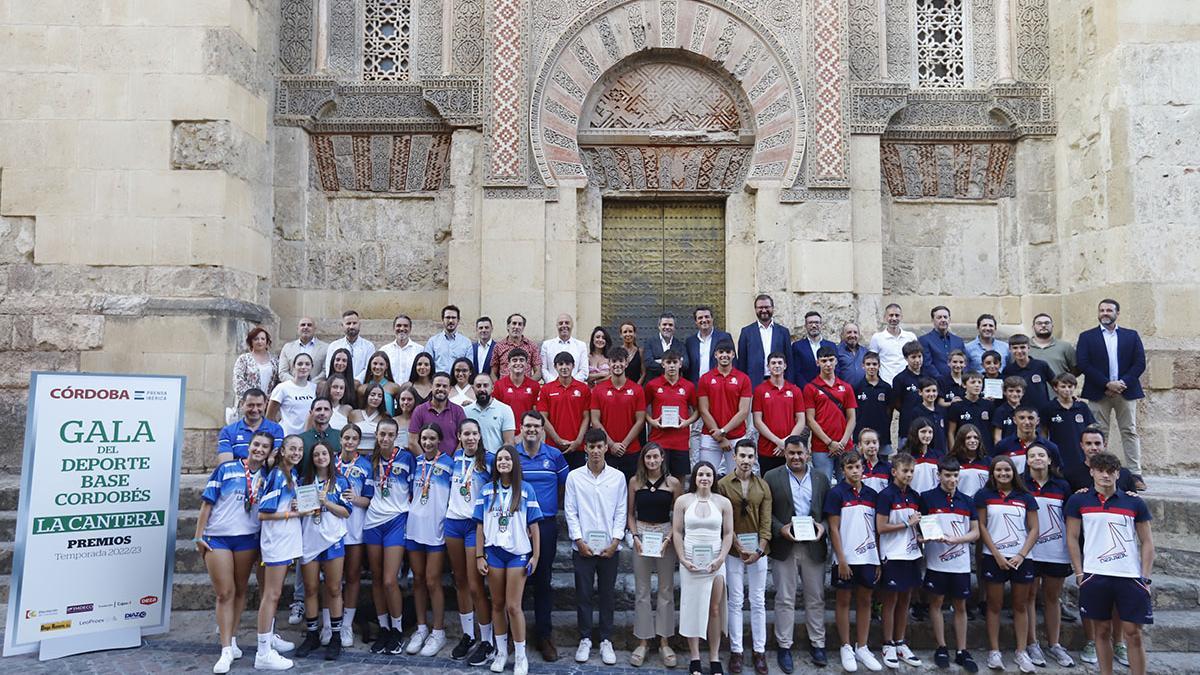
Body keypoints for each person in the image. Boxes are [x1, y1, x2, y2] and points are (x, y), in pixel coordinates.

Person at [1065, 451, 1155, 675]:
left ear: (1117, 474)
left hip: (1129, 575)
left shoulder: (1134, 502)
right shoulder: (1079, 500)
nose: (1105, 475)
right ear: (1092, 472)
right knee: (1102, 631)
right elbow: (1072, 538)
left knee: (1133, 633)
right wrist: (1079, 572)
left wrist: (1145, 577)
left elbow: (1147, 542)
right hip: (1095, 574)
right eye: (1101, 471)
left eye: (1110, 471)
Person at [195, 430, 273, 674]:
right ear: (249, 446)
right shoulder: (226, 469)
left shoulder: (269, 476)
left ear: (270, 452)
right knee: (224, 593)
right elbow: (207, 502)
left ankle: (234, 640)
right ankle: (225, 649)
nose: (259, 450)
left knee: (239, 591)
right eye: (256, 445)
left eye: (265, 447)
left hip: (247, 539)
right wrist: (199, 535)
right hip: (218, 537)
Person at [764, 435, 830, 672]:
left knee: (816, 597)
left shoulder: (821, 478)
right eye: (791, 453)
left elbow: (829, 512)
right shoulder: (771, 477)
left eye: (800, 453)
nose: (796, 457)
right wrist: (779, 529)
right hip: (785, 546)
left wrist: (824, 526)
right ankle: (784, 646)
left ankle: (818, 643)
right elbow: (766, 512)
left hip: (813, 546)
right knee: (784, 598)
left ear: (808, 452)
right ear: (784, 453)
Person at [475, 445, 543, 675]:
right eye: (500, 459)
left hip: (518, 553)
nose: (503, 462)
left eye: (507, 458)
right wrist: (478, 555)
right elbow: (480, 526)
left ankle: (521, 656)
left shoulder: (526, 490)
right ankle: (501, 652)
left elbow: (534, 526)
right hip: (493, 552)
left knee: (513, 606)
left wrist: (535, 555)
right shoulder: (486, 490)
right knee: (497, 604)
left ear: (514, 462)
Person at [565, 428, 628, 666]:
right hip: (582, 547)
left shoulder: (617, 477)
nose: (595, 451)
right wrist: (579, 540)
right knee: (583, 594)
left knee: (607, 594)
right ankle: (584, 639)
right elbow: (570, 510)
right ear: (586, 449)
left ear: (605, 448)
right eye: (591, 447)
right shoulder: (574, 477)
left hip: (610, 547)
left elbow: (621, 510)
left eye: (600, 446)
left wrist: (615, 540)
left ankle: (605, 640)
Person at [513, 411, 570, 662]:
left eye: (536, 426)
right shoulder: (514, 454)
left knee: (543, 581)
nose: (532, 430)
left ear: (543, 429)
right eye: (527, 426)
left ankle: (544, 635)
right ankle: (513, 635)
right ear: (521, 428)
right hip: (516, 526)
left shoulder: (554, 456)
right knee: (516, 581)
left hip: (545, 526)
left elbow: (566, 485)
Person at [975, 456, 1040, 673]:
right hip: (994, 558)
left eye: (1007, 470)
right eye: (999, 470)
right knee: (994, 606)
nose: (1003, 474)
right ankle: (994, 652)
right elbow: (982, 527)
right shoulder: (984, 495)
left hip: (1021, 558)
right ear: (992, 473)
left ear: (1014, 472)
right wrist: (996, 555)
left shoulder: (1026, 497)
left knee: (1020, 606)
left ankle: (1021, 652)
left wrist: (1021, 555)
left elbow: (1034, 529)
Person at [918, 457, 980, 673]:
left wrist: (957, 539)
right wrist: (923, 537)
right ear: (939, 475)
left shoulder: (967, 500)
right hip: (936, 562)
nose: (952, 479)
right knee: (936, 604)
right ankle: (941, 646)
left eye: (955, 475)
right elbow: (921, 527)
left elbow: (975, 531)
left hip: (960, 563)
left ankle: (962, 650)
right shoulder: (927, 498)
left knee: (960, 606)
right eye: (947, 475)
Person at [1076, 298, 1147, 488]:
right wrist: (1106, 383)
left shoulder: (1131, 336)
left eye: (1109, 310)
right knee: (1098, 433)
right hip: (1099, 391)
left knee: (1129, 431)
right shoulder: (1087, 336)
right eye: (1102, 310)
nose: (1105, 313)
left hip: (1126, 390)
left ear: (1117, 313)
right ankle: (1098, 471)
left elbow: (1140, 363)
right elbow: (1083, 363)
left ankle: (1135, 474)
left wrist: (1122, 383)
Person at [715, 440, 772, 674]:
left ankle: (760, 651)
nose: (746, 461)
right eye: (742, 456)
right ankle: (736, 651)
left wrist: (760, 549)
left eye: (750, 456)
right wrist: (736, 545)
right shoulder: (723, 485)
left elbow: (767, 521)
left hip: (759, 551)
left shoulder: (763, 486)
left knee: (758, 600)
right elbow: (721, 521)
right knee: (735, 600)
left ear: (755, 458)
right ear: (735, 458)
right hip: (733, 550)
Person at [824, 450, 883, 673]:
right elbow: (834, 528)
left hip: (868, 557)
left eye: (858, 467)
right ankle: (846, 646)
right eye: (850, 467)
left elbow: (875, 529)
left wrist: (877, 559)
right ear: (843, 470)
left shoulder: (872, 494)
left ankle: (863, 646)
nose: (855, 471)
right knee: (843, 601)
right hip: (846, 557)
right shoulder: (836, 493)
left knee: (866, 600)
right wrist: (841, 559)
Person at [673, 461, 734, 675]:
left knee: (714, 608)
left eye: (708, 474)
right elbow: (678, 532)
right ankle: (695, 657)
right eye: (701, 474)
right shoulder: (683, 501)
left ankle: (715, 656)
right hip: (690, 562)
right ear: (694, 477)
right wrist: (682, 558)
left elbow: (728, 534)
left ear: (714, 478)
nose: (704, 478)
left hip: (714, 563)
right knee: (692, 608)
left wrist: (720, 559)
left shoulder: (723, 502)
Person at [362, 417, 415, 655]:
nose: (385, 438)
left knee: (389, 580)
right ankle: (383, 628)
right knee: (375, 578)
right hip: (373, 521)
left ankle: (397, 628)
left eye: (390, 435)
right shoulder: (369, 461)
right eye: (381, 434)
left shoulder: (406, 458)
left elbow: (414, 492)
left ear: (396, 436)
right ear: (376, 434)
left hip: (396, 520)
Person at [445, 419, 496, 665]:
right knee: (460, 581)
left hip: (475, 526)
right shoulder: (453, 458)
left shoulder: (490, 460)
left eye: (474, 433)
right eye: (466, 434)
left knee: (476, 585)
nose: (471, 438)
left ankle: (487, 640)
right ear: (459, 436)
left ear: (480, 435)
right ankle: (468, 635)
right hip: (453, 522)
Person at [627, 443, 682, 668]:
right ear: (643, 459)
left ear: (662, 459)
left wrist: (669, 537)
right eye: (648, 457)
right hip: (642, 532)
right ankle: (642, 640)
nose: (652, 461)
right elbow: (630, 514)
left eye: (655, 457)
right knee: (641, 590)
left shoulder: (673, 484)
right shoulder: (635, 482)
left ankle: (664, 641)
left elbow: (678, 515)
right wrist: (636, 536)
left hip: (664, 533)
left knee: (666, 589)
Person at [294, 442, 351, 660]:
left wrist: (325, 501)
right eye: (316, 454)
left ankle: (335, 636)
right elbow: (299, 509)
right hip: (309, 539)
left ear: (331, 456)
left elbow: (346, 512)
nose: (320, 457)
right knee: (310, 588)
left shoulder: (340, 481)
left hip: (333, 539)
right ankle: (312, 635)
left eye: (324, 453)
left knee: (334, 588)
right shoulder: (303, 482)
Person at [254, 434, 306, 671]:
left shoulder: (291, 474)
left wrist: (295, 505)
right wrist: (292, 514)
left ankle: (270, 637)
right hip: (276, 542)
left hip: (285, 541)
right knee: (271, 595)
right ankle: (263, 651)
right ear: (282, 451)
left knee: (273, 594)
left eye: (300, 449)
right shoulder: (277, 475)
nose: (296, 453)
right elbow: (264, 513)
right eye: (292, 449)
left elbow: (284, 504)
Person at [404, 424, 455, 657]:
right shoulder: (416, 463)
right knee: (418, 580)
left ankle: (438, 631)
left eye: (432, 438)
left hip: (436, 528)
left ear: (440, 440)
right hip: (414, 527)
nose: (427, 442)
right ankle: (422, 628)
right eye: (424, 438)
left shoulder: (449, 464)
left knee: (433, 580)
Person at [1023, 443, 1076, 668]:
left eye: (1041, 455)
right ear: (1027, 461)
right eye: (1032, 455)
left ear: (1049, 460)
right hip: (1030, 551)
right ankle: (1032, 643)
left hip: (1056, 550)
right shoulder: (1021, 484)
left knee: (1052, 598)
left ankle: (1054, 644)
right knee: (1030, 596)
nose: (1037, 459)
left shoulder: (1063, 486)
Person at [874, 453, 923, 669]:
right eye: (905, 470)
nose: (909, 474)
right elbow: (881, 528)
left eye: (912, 471)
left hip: (912, 554)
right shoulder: (885, 496)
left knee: (905, 600)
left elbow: (917, 525)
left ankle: (900, 642)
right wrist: (906, 524)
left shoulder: (914, 495)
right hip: (892, 555)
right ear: (894, 472)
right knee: (891, 601)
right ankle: (887, 644)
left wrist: (922, 534)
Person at [334, 424, 371, 649]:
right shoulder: (329, 462)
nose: (349, 442)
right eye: (346, 437)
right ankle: (331, 624)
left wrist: (355, 499)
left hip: (355, 527)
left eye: (354, 438)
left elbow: (369, 499)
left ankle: (346, 624)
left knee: (353, 575)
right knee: (333, 580)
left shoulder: (365, 465)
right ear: (340, 439)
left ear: (359, 442)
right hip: (331, 528)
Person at [589, 346, 646, 478]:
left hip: (631, 450)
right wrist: (612, 444)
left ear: (626, 363)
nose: (617, 365)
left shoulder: (637, 389)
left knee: (631, 490)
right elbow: (595, 420)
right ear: (609, 363)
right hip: (607, 450)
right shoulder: (599, 390)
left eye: (621, 361)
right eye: (614, 361)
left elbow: (640, 421)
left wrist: (624, 444)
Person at [698, 340, 752, 475]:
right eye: (721, 352)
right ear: (715, 355)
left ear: (733, 354)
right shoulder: (705, 378)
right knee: (706, 476)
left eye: (728, 352)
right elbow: (703, 410)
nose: (724, 355)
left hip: (736, 437)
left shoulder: (744, 379)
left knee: (737, 478)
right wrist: (720, 437)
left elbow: (744, 411)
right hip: (710, 436)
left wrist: (723, 431)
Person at [804, 345, 857, 481]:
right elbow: (810, 419)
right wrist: (829, 442)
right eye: (824, 361)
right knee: (823, 485)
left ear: (836, 361)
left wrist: (843, 442)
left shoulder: (846, 387)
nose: (828, 364)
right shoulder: (810, 388)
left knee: (847, 484)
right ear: (818, 362)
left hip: (845, 446)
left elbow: (852, 418)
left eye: (831, 360)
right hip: (822, 447)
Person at [646, 350, 699, 480]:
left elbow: (697, 410)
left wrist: (687, 422)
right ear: (663, 364)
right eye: (668, 362)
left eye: (675, 362)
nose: (671, 366)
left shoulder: (689, 386)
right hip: (658, 440)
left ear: (680, 364)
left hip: (680, 441)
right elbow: (641, 409)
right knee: (657, 479)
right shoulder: (652, 385)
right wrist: (652, 421)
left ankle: (678, 501)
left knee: (679, 480)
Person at [751, 352, 804, 475]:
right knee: (769, 487)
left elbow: (801, 421)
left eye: (780, 363)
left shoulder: (795, 390)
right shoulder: (760, 390)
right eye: (773, 363)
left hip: (791, 450)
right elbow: (757, 421)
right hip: (767, 449)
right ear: (768, 367)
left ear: (785, 366)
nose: (777, 366)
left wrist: (786, 443)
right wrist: (778, 442)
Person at [537, 352, 592, 468]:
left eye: (568, 364)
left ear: (573, 366)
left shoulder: (584, 389)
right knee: (555, 483)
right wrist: (557, 440)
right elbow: (543, 417)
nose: (564, 367)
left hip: (578, 447)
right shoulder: (547, 389)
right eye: (560, 364)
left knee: (577, 483)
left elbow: (586, 417)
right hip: (553, 447)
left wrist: (578, 441)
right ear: (555, 367)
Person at [1041, 372, 1096, 472]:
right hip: (1059, 454)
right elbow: (1044, 431)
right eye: (1063, 386)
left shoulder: (1082, 406)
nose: (1067, 390)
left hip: (1080, 454)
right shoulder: (1048, 408)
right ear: (1055, 388)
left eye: (1070, 386)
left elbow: (1090, 429)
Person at [738, 294, 791, 388]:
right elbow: (742, 362)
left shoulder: (783, 332)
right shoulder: (746, 332)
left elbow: (789, 360)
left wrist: (789, 383)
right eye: (760, 307)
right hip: (754, 383)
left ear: (773, 308)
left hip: (778, 383)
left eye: (767, 307)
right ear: (755, 309)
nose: (763, 310)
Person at [217, 388, 283, 463]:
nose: (255, 410)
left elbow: (275, 461)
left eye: (259, 405)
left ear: (265, 405)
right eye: (250, 405)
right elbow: (226, 465)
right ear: (242, 404)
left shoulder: (276, 429)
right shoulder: (228, 431)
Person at [408, 372, 466, 456]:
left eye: (445, 386)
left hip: (451, 464)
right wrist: (426, 462)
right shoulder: (419, 410)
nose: (441, 389)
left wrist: (452, 461)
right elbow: (412, 442)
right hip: (425, 466)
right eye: (438, 385)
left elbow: (463, 440)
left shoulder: (458, 411)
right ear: (431, 387)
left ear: (450, 389)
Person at [993, 405, 1063, 474]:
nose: (1026, 422)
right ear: (1014, 420)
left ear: (1038, 421)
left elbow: (1056, 473)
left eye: (1031, 418)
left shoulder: (1050, 447)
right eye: (1022, 418)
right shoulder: (1003, 446)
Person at [890, 341, 933, 445]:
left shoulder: (929, 376)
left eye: (919, 356)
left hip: (927, 427)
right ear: (906, 358)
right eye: (913, 357)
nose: (917, 360)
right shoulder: (899, 379)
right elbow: (896, 403)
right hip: (907, 427)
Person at [852, 352, 893, 456]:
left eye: (874, 364)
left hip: (882, 435)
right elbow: (853, 411)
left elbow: (889, 410)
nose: (871, 367)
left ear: (879, 366)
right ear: (863, 366)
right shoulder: (856, 387)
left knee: (882, 468)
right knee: (861, 467)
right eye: (868, 364)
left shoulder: (886, 388)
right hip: (861, 435)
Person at [1002, 334, 1055, 412]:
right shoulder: (1008, 370)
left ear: (1029, 348)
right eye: (1015, 348)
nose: (1019, 351)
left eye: (1022, 347)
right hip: (1019, 413)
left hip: (1042, 411)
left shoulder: (1041, 365)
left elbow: (1056, 384)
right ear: (1010, 349)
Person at [465, 372, 516, 452]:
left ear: (492, 388)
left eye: (485, 385)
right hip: (471, 461)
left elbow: (509, 442)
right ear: (473, 388)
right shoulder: (466, 411)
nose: (482, 389)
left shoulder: (505, 410)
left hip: (495, 461)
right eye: (478, 386)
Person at [867, 303, 918, 385]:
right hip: (887, 382)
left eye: (897, 315)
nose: (894, 318)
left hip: (908, 383)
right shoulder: (877, 338)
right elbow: (873, 360)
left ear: (901, 317)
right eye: (891, 315)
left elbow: (917, 359)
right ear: (885, 317)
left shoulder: (910, 337)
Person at [268, 353, 317, 436]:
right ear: (294, 366)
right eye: (300, 364)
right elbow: (270, 417)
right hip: (287, 436)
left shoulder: (315, 388)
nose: (303, 367)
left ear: (311, 367)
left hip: (308, 437)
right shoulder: (282, 388)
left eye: (307, 364)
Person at [947, 371, 995, 453]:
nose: (977, 385)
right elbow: (951, 432)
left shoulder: (988, 405)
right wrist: (953, 453)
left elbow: (993, 431)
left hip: (986, 451)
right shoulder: (957, 405)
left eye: (980, 382)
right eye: (973, 382)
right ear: (964, 385)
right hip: (963, 451)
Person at [324, 310, 376, 382]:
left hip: (359, 386)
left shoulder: (369, 346)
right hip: (338, 385)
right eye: (348, 323)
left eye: (354, 323)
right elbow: (329, 367)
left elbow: (368, 368)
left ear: (359, 325)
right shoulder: (334, 346)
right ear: (342, 326)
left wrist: (356, 381)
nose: (351, 326)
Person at [686, 305, 732, 383]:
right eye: (700, 318)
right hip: (697, 387)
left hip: (719, 385)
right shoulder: (690, 342)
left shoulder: (724, 337)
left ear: (712, 318)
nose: (704, 320)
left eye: (707, 317)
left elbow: (732, 362)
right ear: (696, 322)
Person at [918, 306, 966, 380]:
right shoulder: (924, 340)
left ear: (949, 320)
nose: (943, 320)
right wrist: (942, 380)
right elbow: (927, 364)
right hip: (935, 384)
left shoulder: (958, 341)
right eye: (939, 317)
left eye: (945, 317)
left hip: (957, 383)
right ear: (932, 320)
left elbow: (965, 362)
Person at [790, 311, 837, 386]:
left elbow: (837, 369)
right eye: (810, 323)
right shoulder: (797, 346)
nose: (814, 325)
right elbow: (796, 372)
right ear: (805, 325)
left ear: (821, 325)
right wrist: (807, 389)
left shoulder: (831, 346)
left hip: (828, 389)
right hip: (806, 390)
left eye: (817, 322)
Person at [234, 325, 280, 401]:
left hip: (269, 403)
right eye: (256, 339)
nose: (260, 341)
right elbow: (238, 382)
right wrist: (255, 397)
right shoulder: (243, 359)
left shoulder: (275, 360)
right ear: (251, 342)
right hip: (249, 402)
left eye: (263, 339)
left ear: (267, 341)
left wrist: (271, 397)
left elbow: (279, 381)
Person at [540, 313, 589, 383]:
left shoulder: (581, 345)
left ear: (572, 325)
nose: (564, 325)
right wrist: (555, 384)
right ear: (557, 326)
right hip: (552, 388)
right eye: (560, 323)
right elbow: (543, 369)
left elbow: (584, 371)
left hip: (575, 389)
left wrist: (570, 384)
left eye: (567, 323)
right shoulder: (546, 345)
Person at [492, 313, 543, 381]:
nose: (516, 327)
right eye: (514, 323)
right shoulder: (499, 346)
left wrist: (528, 385)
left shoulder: (532, 346)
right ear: (508, 326)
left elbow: (538, 372)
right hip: (504, 389)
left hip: (525, 389)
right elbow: (493, 373)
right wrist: (499, 387)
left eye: (520, 324)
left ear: (523, 327)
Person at [298, 397, 341, 475]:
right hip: (306, 485)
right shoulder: (301, 439)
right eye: (318, 409)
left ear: (331, 412)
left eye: (326, 409)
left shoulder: (340, 437)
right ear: (311, 413)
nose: (322, 413)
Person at [493, 348, 540, 420]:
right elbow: (495, 410)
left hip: (526, 429)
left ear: (526, 364)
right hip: (506, 429)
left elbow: (536, 412)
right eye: (514, 360)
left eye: (521, 360)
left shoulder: (534, 385)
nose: (518, 363)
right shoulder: (499, 385)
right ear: (508, 364)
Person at [279, 317, 328, 383]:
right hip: (292, 389)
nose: (306, 327)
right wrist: (296, 383)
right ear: (298, 329)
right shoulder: (287, 347)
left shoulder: (325, 348)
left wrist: (311, 384)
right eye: (303, 325)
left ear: (314, 329)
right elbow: (282, 372)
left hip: (316, 389)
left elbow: (326, 371)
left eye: (309, 325)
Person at [905, 377, 947, 454]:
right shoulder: (917, 412)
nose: (931, 394)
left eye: (934, 391)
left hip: (941, 452)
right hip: (925, 453)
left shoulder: (941, 410)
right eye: (927, 391)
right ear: (920, 392)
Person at [427, 304, 473, 374]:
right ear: (442, 319)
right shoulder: (433, 342)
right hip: (439, 382)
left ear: (458, 320)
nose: (451, 320)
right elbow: (427, 365)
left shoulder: (466, 343)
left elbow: (469, 367)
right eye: (448, 317)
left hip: (458, 383)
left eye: (454, 317)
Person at [379, 314, 424, 385]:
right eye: (398, 325)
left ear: (410, 329)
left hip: (412, 392)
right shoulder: (384, 350)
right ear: (393, 328)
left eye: (406, 326)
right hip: (390, 392)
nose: (402, 329)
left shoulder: (420, 350)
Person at [1029, 313, 1076, 377]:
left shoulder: (1065, 346)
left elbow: (1076, 368)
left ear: (1052, 326)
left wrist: (1065, 382)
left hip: (1056, 387)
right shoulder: (1024, 347)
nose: (1043, 325)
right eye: (1039, 323)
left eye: (1047, 323)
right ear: (1033, 327)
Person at [950, 424, 990, 498]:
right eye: (968, 438)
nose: (972, 441)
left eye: (976, 438)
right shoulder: (952, 460)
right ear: (961, 440)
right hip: (959, 504)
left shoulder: (988, 461)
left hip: (981, 504)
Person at [349, 384, 386, 452]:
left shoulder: (384, 417)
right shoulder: (354, 414)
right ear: (366, 396)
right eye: (372, 395)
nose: (376, 398)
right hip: (355, 454)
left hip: (375, 455)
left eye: (379, 396)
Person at [991, 376, 1027, 445]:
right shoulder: (1000, 411)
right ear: (1004, 392)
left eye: (1018, 391)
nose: (1014, 394)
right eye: (1011, 391)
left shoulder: (1026, 410)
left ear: (1023, 392)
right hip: (1006, 451)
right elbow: (997, 437)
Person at [859, 429, 891, 494]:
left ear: (879, 443)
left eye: (874, 442)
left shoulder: (888, 467)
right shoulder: (857, 467)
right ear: (860, 445)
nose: (872, 446)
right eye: (867, 443)